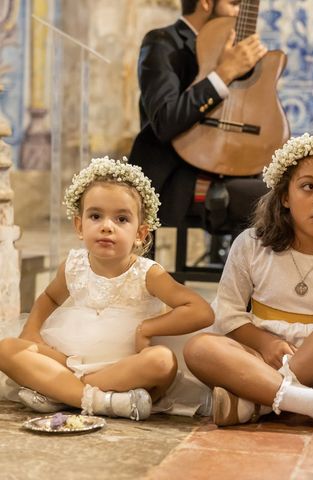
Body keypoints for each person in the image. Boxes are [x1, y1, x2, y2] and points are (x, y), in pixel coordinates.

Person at [183, 134, 313, 439]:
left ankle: (258, 404)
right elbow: (228, 315)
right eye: (308, 186)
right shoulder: (252, 246)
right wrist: (266, 343)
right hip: (262, 361)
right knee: (199, 348)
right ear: (284, 196)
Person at [0, 158, 214, 420]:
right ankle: (101, 401)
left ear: (141, 233)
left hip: (124, 367)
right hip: (68, 359)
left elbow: (201, 311)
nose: (106, 226)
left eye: (122, 219)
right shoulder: (73, 265)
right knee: (7, 349)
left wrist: (148, 328)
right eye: (95, 216)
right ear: (80, 226)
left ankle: (61, 392)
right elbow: (49, 297)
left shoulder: (147, 273)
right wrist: (31, 330)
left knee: (162, 361)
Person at [129, 0, 268, 231]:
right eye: (234, 4)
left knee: (295, 190)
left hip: (234, 171)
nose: (240, 13)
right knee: (277, 200)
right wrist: (225, 73)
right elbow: (165, 121)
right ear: (205, 3)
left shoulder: (234, 47)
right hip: (176, 180)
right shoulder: (163, 44)